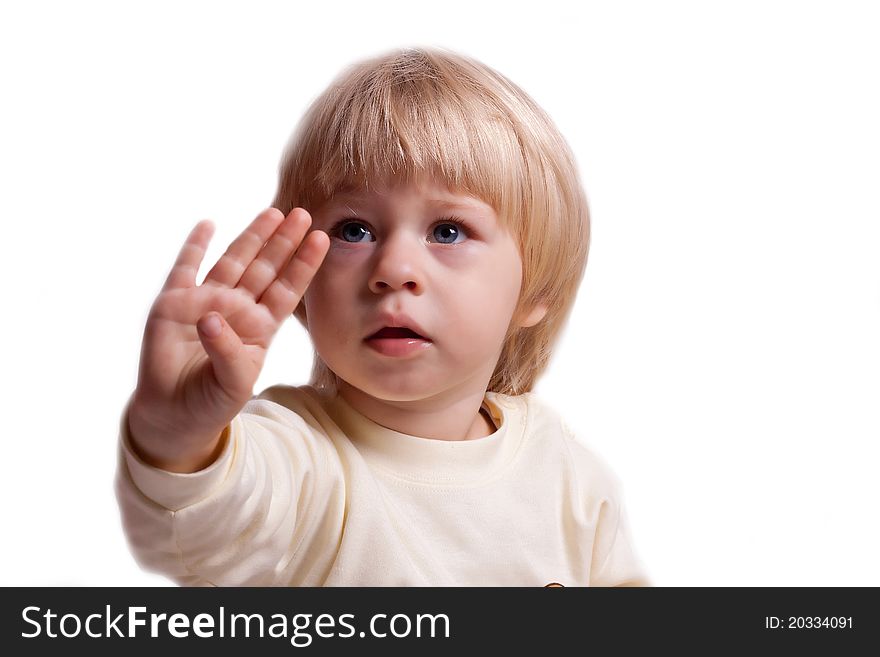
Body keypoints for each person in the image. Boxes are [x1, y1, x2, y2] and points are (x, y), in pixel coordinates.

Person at [115, 46, 649, 586]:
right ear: (305, 284)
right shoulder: (296, 458)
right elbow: (209, 518)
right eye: (354, 230)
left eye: (447, 231)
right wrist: (176, 433)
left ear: (535, 288)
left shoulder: (567, 475)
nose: (393, 269)